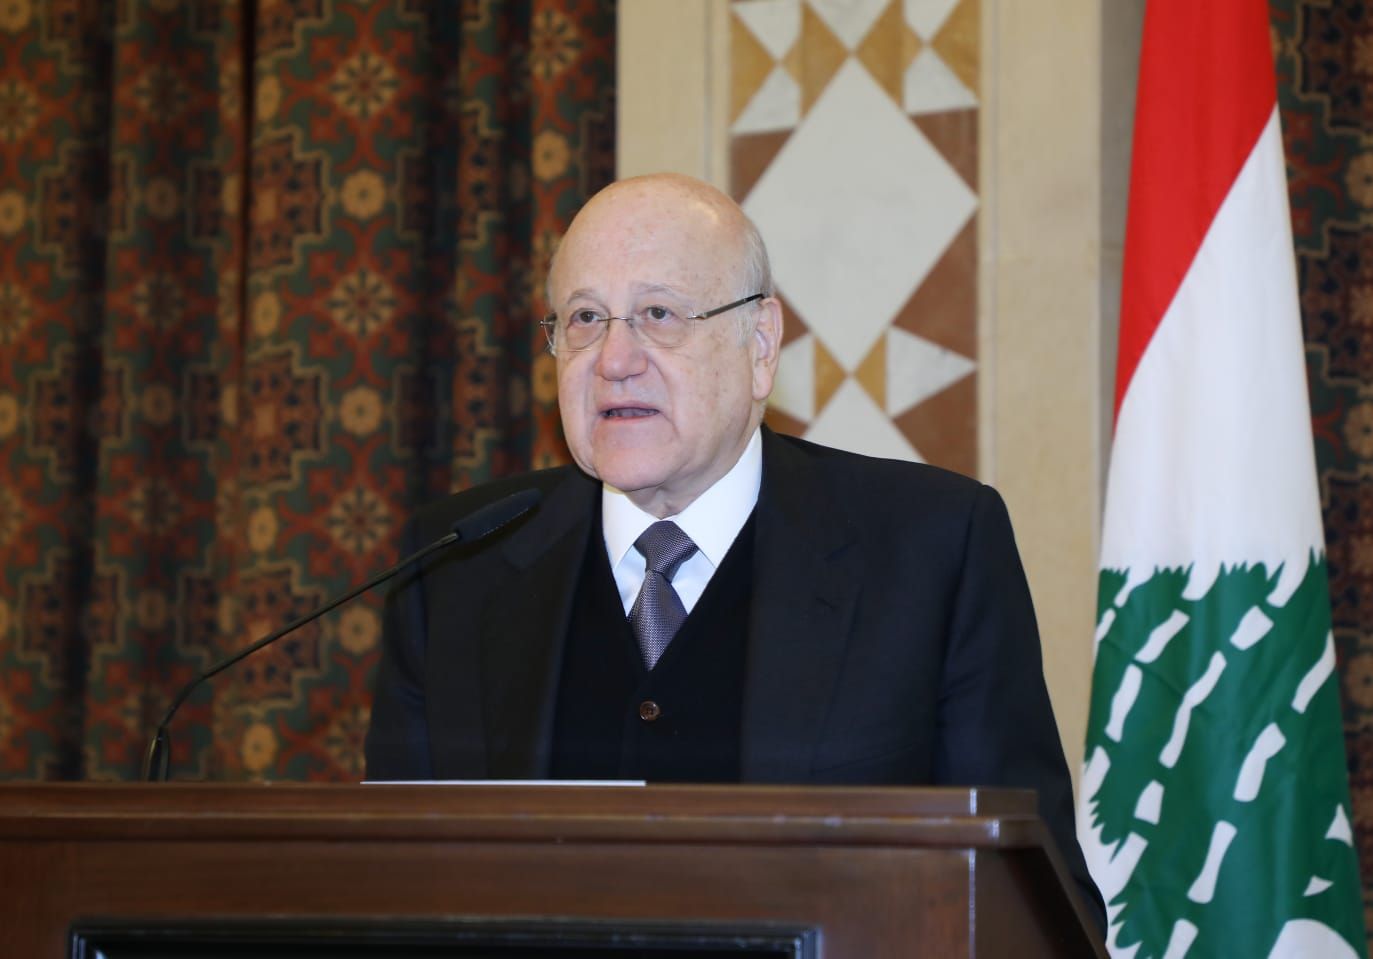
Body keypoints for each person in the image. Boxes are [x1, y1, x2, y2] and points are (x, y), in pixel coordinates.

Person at [364, 172, 1105, 931]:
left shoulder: (932, 548)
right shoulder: (457, 565)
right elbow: (388, 892)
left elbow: (1031, 908)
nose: (614, 358)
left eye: (658, 314)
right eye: (585, 318)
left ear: (760, 345)